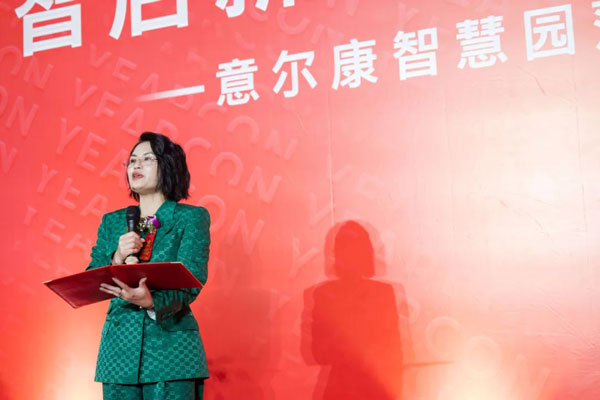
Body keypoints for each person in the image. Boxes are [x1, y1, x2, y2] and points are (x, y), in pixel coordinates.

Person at [86, 132, 210, 400]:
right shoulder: (112, 221)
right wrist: (117, 257)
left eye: (146, 159)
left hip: (171, 351)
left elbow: (192, 279)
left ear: (168, 166)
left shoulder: (190, 218)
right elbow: (90, 280)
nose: (136, 165)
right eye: (132, 160)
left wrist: (152, 302)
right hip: (118, 353)